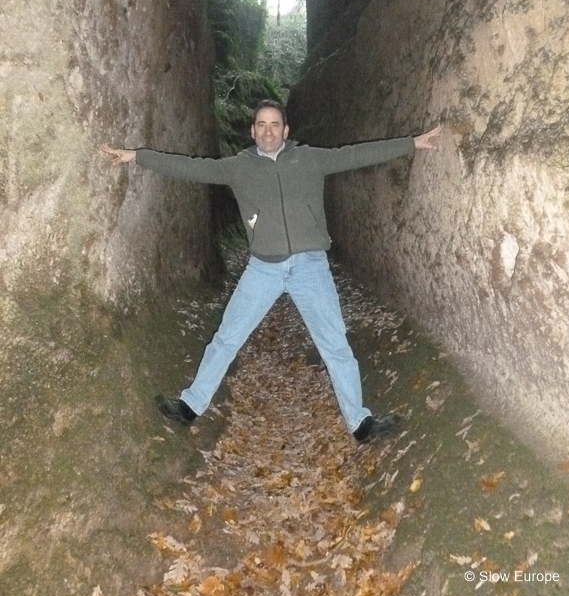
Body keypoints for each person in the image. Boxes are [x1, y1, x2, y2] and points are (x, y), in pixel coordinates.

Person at [102, 101, 442, 443]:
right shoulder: (239, 168)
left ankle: (361, 424)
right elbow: (192, 168)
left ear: (286, 130)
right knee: (226, 337)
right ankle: (189, 407)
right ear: (252, 131)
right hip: (263, 268)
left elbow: (355, 154)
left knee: (335, 344)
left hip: (311, 268)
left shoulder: (310, 158)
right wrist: (138, 156)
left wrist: (411, 143)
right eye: (261, 125)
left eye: (274, 124)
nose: (268, 131)